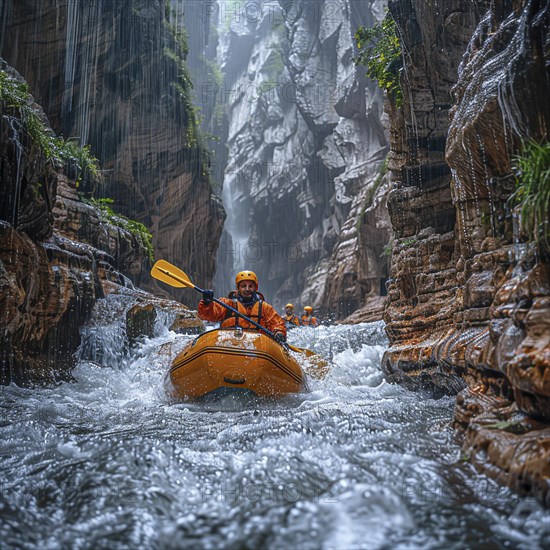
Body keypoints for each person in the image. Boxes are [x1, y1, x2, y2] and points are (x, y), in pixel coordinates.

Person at [198, 270, 287, 343]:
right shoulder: (227, 304)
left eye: (250, 286)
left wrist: (279, 333)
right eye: (243, 286)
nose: (247, 289)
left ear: (255, 288)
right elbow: (205, 315)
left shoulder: (265, 308)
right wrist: (207, 302)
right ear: (238, 288)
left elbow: (277, 323)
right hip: (230, 345)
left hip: (258, 347)